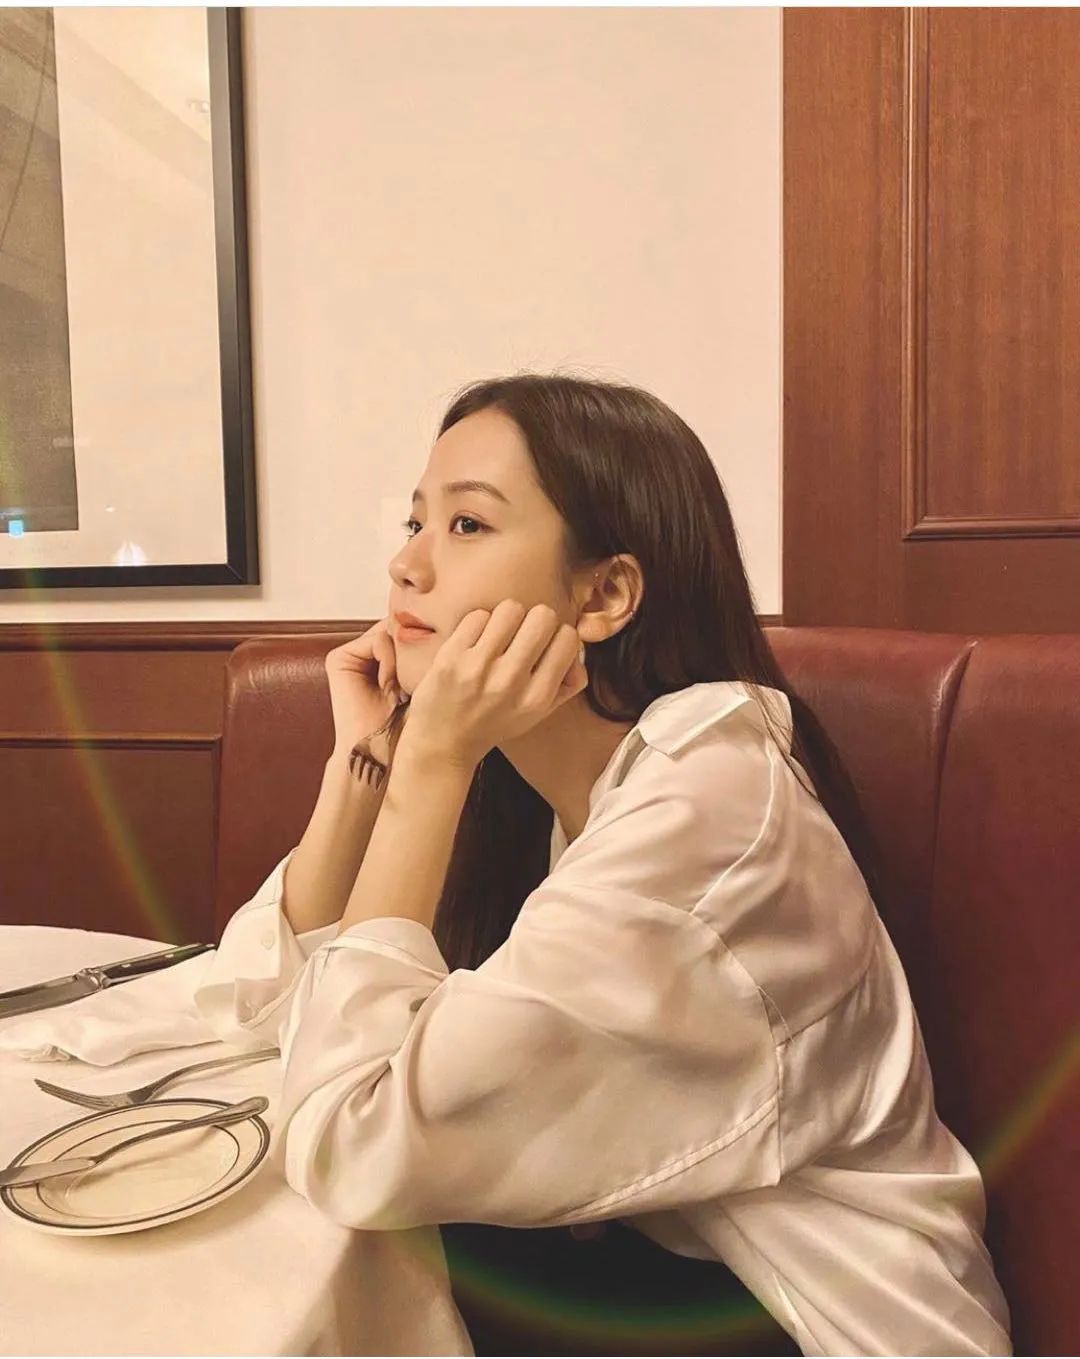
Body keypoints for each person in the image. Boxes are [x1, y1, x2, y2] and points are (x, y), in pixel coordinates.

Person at [194, 373, 1012, 1355]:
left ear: (605, 595)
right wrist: (362, 767)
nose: (406, 564)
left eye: (466, 525)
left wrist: (429, 763)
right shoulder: (549, 784)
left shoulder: (703, 824)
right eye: (415, 522)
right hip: (667, 1281)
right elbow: (260, 1013)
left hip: (821, 1325)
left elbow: (346, 1137)